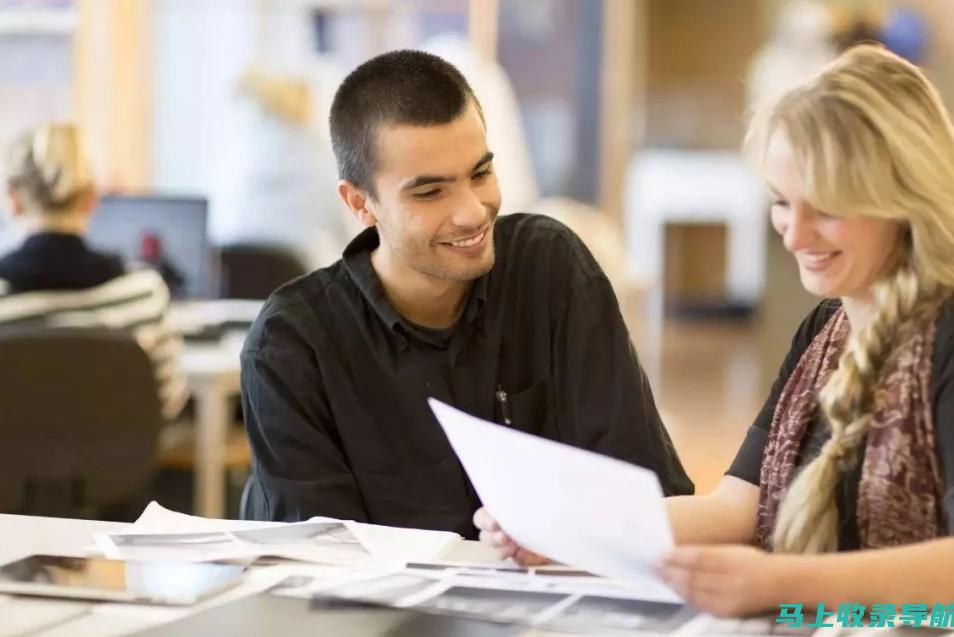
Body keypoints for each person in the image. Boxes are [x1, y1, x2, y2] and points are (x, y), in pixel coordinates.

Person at [476, 44, 954, 616]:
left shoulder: (945, 337)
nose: (794, 236)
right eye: (781, 202)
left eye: (825, 208)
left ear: (903, 202)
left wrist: (782, 586)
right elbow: (736, 508)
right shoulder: (826, 328)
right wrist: (563, 534)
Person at [240, 50, 693, 537]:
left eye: (480, 174)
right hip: (384, 608)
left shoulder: (549, 269)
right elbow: (323, 566)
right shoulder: (293, 342)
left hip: (553, 595)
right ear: (360, 202)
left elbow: (647, 494)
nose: (472, 212)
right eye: (430, 193)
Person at [0, 122, 188, 420]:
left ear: (14, 201)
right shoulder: (144, 294)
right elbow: (168, 401)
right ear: (91, 200)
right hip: (122, 465)